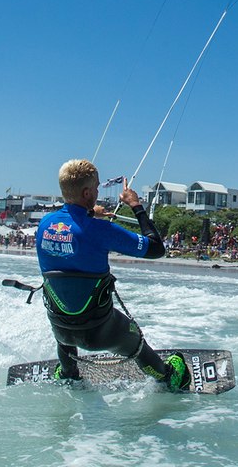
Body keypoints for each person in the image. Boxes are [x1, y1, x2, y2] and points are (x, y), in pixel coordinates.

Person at [35, 158, 190, 391]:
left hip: (61, 329)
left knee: (65, 304)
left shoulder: (45, 224)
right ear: (87, 192)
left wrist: (88, 213)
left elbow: (72, 233)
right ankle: (168, 377)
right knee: (134, 340)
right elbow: (156, 248)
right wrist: (135, 205)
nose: (98, 191)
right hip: (101, 332)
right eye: (96, 188)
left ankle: (68, 373)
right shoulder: (100, 230)